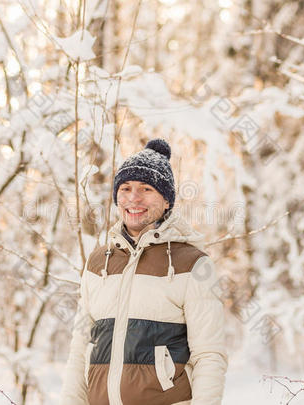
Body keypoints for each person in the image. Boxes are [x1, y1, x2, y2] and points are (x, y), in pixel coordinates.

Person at [60, 139, 228, 405]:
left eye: (146, 189)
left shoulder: (193, 264)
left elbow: (209, 355)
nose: (133, 198)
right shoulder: (98, 262)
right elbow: (80, 350)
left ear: (166, 201)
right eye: (125, 188)